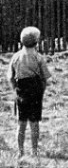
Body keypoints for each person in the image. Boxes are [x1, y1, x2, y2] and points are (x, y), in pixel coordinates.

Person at [7, 25, 51, 161]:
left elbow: (10, 76)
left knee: (21, 123)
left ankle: (20, 151)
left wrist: (15, 89)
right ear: (37, 42)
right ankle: (34, 150)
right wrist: (42, 90)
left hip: (21, 91)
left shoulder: (15, 57)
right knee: (34, 123)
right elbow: (45, 77)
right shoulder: (38, 57)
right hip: (35, 91)